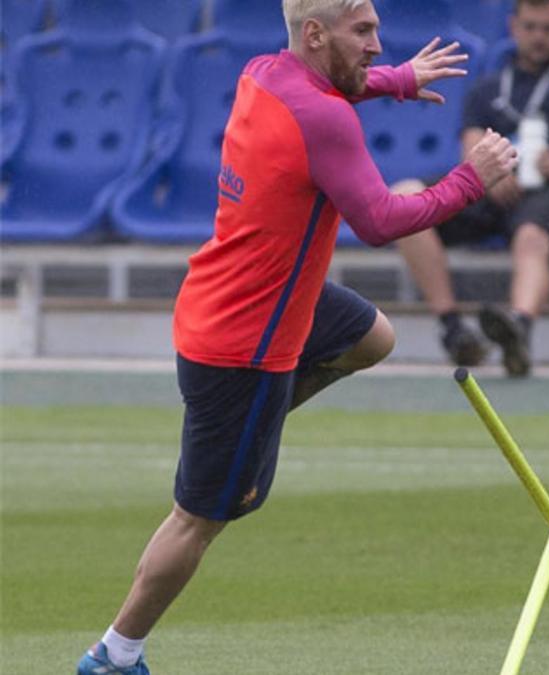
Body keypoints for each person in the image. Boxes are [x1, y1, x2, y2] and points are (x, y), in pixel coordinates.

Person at [76, 1, 517, 673]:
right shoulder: (325, 117)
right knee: (198, 518)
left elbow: (336, 86)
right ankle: (115, 651)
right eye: (362, 31)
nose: (377, 44)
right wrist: (470, 179)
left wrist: (397, 79)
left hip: (239, 302)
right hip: (247, 343)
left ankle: (257, 424)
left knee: (373, 335)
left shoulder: (266, 72)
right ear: (315, 33)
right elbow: (379, 220)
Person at [391, 0, 549, 376]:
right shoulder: (488, 87)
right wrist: (491, 174)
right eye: (531, 27)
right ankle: (452, 329)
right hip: (492, 186)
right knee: (404, 197)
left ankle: (519, 328)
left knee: (533, 236)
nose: (539, 37)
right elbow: (470, 145)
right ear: (513, 27)